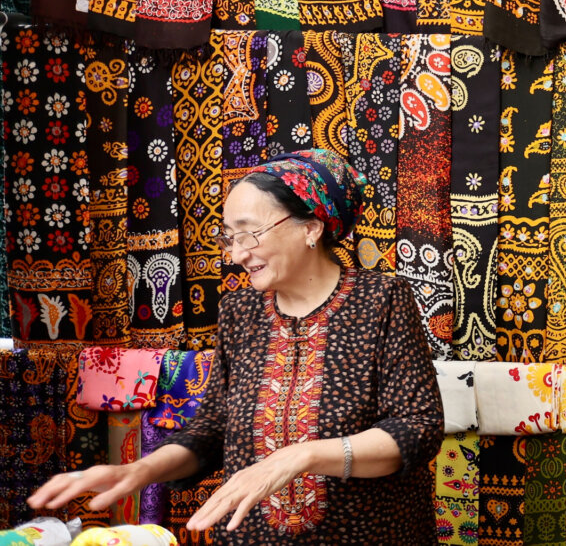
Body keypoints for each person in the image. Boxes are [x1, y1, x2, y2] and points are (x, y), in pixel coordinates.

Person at [29, 149, 444, 544]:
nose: (237, 253)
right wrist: (140, 470)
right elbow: (212, 430)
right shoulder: (239, 310)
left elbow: (417, 428)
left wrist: (299, 457)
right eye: (229, 237)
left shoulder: (382, 300)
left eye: (250, 233)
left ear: (311, 228)